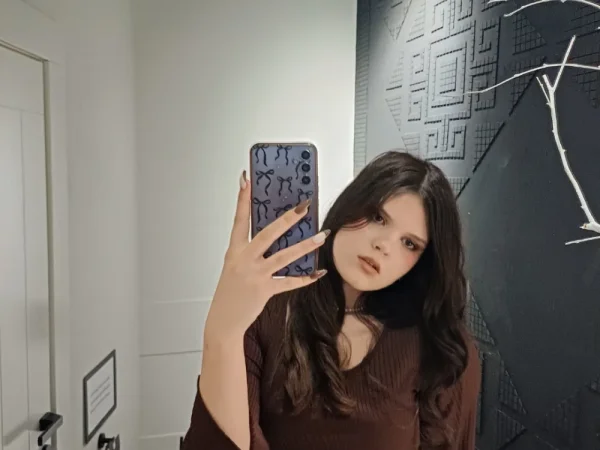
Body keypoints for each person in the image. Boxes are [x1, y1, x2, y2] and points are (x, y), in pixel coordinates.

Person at [181, 151, 481, 450]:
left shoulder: (441, 348)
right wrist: (222, 333)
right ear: (352, 203)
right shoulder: (266, 312)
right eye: (377, 217)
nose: (383, 245)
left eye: (409, 243)